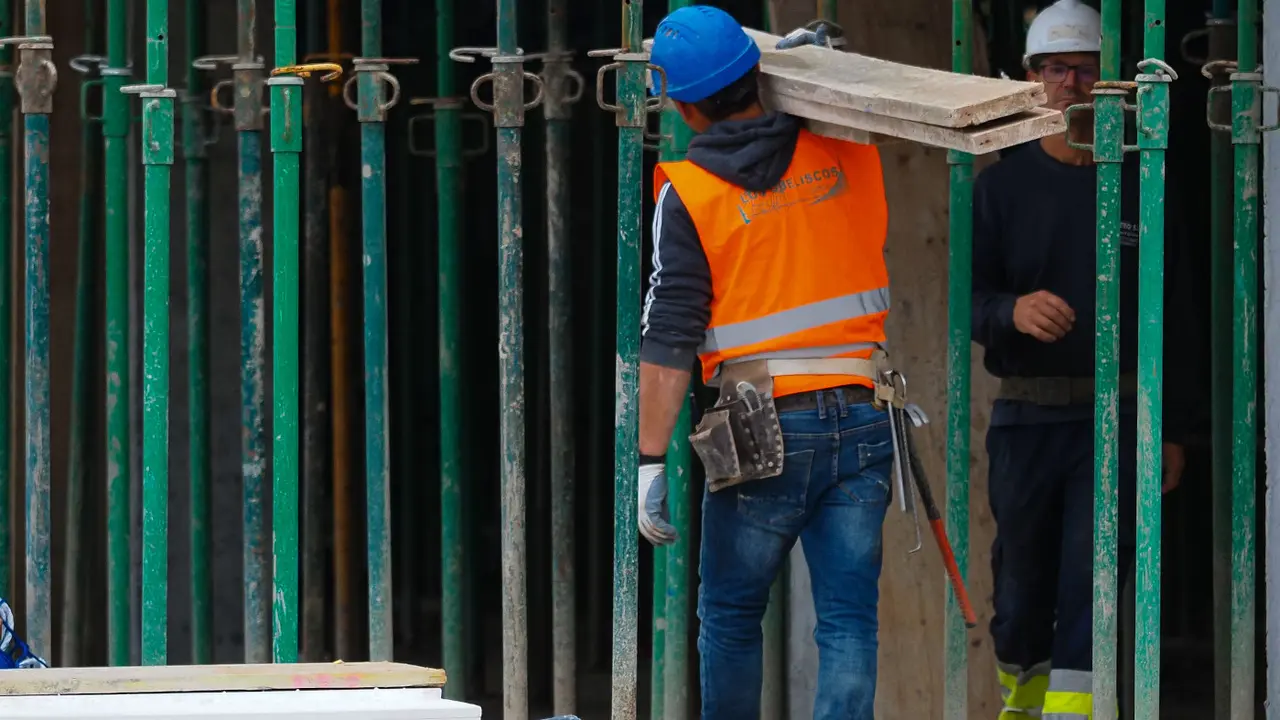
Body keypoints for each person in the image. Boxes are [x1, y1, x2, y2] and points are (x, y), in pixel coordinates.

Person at [636, 6, 899, 719]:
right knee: (848, 620)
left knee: (729, 614)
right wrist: (815, 69)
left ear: (683, 107)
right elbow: (838, 99)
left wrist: (650, 460)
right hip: (866, 408)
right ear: (758, 75)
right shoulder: (848, 147)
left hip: (762, 429)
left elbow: (669, 337)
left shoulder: (692, 193)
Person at [971, 0, 1195, 716]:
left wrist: (1175, 429)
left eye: (1086, 70)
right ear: (1031, 80)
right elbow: (964, 303)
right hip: (1027, 420)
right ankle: (1020, 705)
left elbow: (1179, 316)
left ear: (1112, 85)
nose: (1071, 82)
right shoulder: (1001, 188)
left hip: (1118, 418)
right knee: (1019, 595)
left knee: (1094, 588)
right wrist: (1011, 310)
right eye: (1056, 68)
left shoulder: (1140, 185)